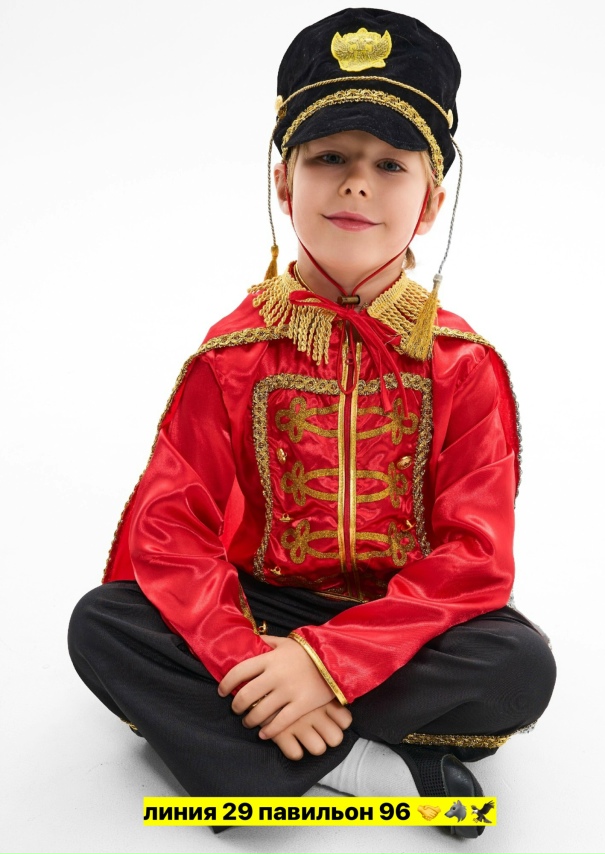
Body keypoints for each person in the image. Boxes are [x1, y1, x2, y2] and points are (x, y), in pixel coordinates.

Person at [68, 7, 556, 839]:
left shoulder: (464, 365)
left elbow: (474, 560)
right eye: (329, 157)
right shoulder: (232, 355)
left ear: (431, 201)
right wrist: (243, 651)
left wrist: (329, 660)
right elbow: (171, 532)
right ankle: (366, 767)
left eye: (390, 164)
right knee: (104, 623)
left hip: (400, 620)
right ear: (284, 183)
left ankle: (250, 749)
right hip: (259, 606)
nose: (356, 183)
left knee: (518, 664)